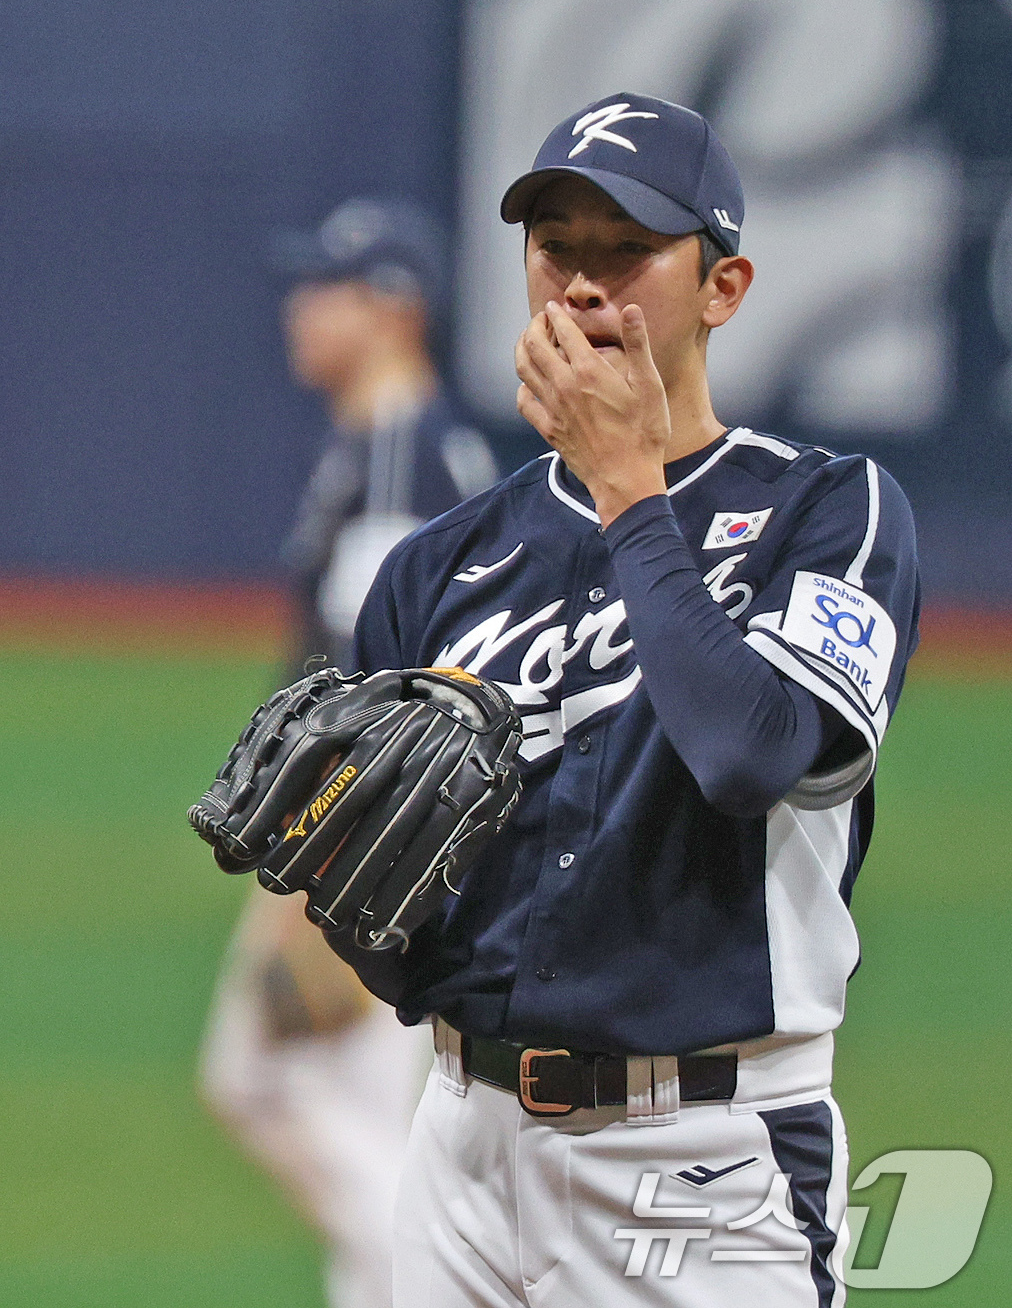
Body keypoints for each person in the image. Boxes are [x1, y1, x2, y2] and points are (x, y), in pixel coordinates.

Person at [325, 95, 920, 1306]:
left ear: (723, 286)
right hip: (459, 1150)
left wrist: (631, 496)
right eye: (557, 250)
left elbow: (753, 752)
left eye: (628, 252)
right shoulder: (437, 565)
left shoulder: (830, 513)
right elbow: (382, 905)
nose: (584, 288)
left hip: (699, 1162)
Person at [200, 197, 498, 1308]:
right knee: (355, 1115)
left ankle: (437, 1276)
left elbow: (378, 701)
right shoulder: (397, 445)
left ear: (391, 310)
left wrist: (308, 876)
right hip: (395, 849)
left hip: (372, 852)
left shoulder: (400, 463)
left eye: (324, 288)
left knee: (263, 1084)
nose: (299, 308)